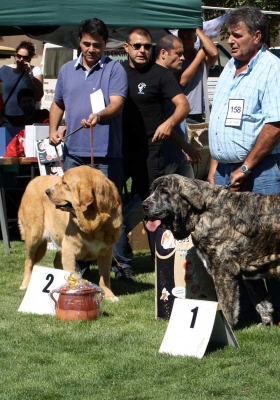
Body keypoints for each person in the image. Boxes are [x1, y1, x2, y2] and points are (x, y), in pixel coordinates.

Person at [207, 6, 280, 327]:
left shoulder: (274, 70)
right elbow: (222, 124)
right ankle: (246, 309)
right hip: (225, 170)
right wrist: (215, 169)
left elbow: (275, 125)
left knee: (273, 240)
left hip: (262, 171)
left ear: (257, 37)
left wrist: (245, 168)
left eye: (237, 35)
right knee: (232, 242)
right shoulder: (230, 67)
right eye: (228, 35)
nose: (230, 41)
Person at [115, 28, 191, 281]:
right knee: (113, 206)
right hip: (119, 150)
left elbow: (183, 105)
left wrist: (168, 124)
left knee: (155, 209)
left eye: (146, 47)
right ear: (126, 48)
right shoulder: (116, 72)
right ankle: (121, 264)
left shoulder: (161, 75)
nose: (142, 51)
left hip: (151, 151)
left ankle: (163, 263)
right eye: (137, 46)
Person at [49, 17, 128, 192]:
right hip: (73, 153)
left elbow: (117, 104)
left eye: (97, 45)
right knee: (73, 206)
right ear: (79, 42)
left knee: (105, 209)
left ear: (105, 44)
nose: (91, 49)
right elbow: (58, 103)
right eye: (86, 44)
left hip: (106, 155)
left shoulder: (115, 69)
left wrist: (99, 115)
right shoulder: (66, 70)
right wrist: (53, 131)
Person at [155, 33, 203, 178]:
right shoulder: (155, 79)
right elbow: (161, 121)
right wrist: (185, 146)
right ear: (163, 53)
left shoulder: (170, 76)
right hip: (164, 156)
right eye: (178, 54)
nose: (182, 58)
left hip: (179, 155)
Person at [177, 27, 218, 123]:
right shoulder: (176, 57)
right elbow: (183, 81)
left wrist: (197, 30)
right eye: (183, 38)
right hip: (179, 111)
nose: (186, 41)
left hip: (196, 113)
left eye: (189, 38)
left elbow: (214, 52)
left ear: (195, 39)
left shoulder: (203, 57)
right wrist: (199, 57)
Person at [0, 41, 43, 126]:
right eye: (19, 56)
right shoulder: (5, 70)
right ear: (15, 56)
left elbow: (38, 96)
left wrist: (28, 76)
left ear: (29, 59)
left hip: (27, 116)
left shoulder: (35, 71)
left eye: (25, 57)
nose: (21, 59)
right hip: (7, 116)